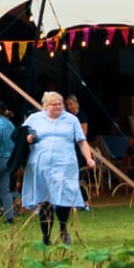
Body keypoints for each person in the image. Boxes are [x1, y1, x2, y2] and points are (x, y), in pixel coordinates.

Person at [22, 91, 92, 245]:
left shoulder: (71, 120)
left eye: (60, 104)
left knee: (63, 198)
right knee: (44, 199)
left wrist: (88, 158)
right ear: (46, 106)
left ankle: (63, 229)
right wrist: (28, 138)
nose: (59, 107)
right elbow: (22, 136)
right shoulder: (35, 119)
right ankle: (46, 236)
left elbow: (81, 140)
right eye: (55, 104)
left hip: (65, 165)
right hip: (41, 165)